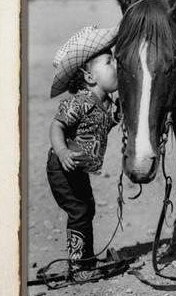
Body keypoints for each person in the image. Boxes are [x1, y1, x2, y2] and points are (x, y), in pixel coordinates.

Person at [46, 25, 121, 281]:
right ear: (90, 78)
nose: (116, 66)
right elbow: (57, 126)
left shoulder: (107, 105)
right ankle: (78, 267)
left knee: (86, 209)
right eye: (110, 62)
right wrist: (63, 151)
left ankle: (85, 259)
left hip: (77, 169)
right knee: (79, 211)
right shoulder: (80, 102)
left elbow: (119, 117)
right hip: (62, 166)